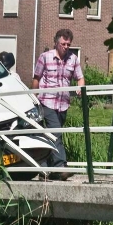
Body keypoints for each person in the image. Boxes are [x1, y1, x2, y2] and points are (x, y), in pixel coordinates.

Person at [32, 29, 85, 180]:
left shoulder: (73, 59)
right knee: (56, 133)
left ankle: (46, 171)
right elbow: (36, 78)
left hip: (63, 104)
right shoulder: (45, 57)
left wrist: (81, 87)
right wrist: (33, 97)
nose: (66, 47)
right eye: (63, 43)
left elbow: (80, 78)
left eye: (68, 44)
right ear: (56, 42)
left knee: (50, 135)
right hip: (47, 101)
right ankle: (61, 166)